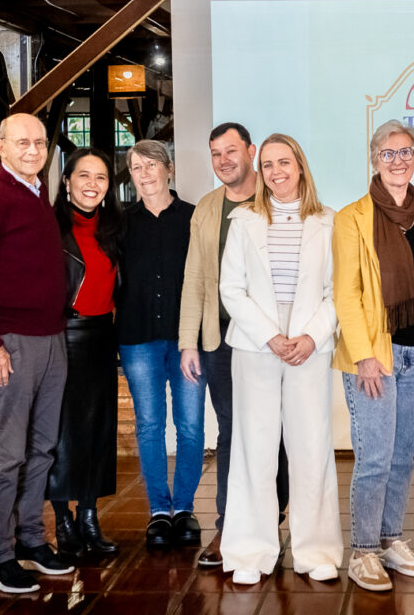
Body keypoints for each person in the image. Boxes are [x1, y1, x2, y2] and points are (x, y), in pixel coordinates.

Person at [0, 113, 74, 593]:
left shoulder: (36, 191)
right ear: (0, 145)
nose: (32, 150)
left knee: (42, 449)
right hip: (13, 346)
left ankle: (30, 539)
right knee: (7, 455)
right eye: (22, 142)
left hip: (52, 340)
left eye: (40, 142)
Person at [219, 133, 342, 585]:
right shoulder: (243, 220)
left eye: (284, 162)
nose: (276, 172)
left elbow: (336, 292)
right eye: (268, 165)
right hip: (257, 346)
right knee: (255, 449)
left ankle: (316, 551)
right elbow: (231, 288)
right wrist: (271, 334)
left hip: (309, 348)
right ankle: (251, 550)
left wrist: (310, 335)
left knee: (312, 448)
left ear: (301, 167)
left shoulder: (328, 222)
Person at [333, 120, 414, 592]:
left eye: (406, 152)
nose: (398, 160)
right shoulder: (352, 218)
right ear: (374, 159)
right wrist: (363, 356)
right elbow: (346, 294)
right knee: (375, 457)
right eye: (388, 153)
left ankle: (390, 539)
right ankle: (362, 550)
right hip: (375, 356)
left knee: (403, 457)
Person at [178, 123, 289, 567]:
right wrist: (188, 341)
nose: (223, 160)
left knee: (274, 433)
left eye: (231, 151)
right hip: (219, 340)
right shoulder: (206, 208)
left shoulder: (278, 197)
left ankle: (272, 523)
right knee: (231, 432)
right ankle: (229, 528)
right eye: (215, 153)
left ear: (251, 151)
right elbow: (194, 277)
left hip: (271, 342)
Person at [118, 140, 205, 549]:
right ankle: (158, 509)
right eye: (137, 167)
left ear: (169, 169)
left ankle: (184, 508)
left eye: (152, 165)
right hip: (137, 340)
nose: (145, 173)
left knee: (190, 426)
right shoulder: (120, 223)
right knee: (150, 426)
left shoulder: (193, 218)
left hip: (188, 339)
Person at [46, 147, 124, 558]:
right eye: (84, 176)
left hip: (100, 338)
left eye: (101, 178)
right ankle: (62, 520)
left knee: (97, 431)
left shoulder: (114, 228)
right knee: (61, 433)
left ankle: (89, 516)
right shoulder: (50, 227)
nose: (92, 185)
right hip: (61, 336)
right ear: (67, 182)